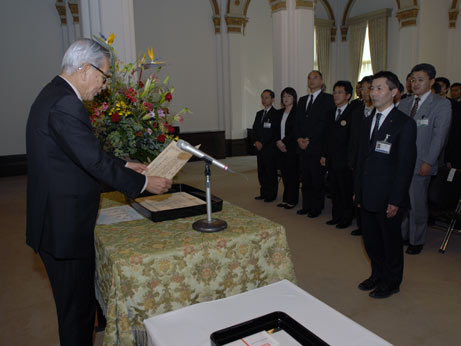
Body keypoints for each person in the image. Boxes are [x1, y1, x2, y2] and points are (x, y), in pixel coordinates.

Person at [26, 39, 172, 346]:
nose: (104, 86)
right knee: (77, 314)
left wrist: (125, 163)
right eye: (104, 76)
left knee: (76, 309)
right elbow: (92, 160)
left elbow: (80, 153)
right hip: (63, 227)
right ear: (84, 69)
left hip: (55, 221)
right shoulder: (66, 102)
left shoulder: (54, 94)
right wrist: (144, 185)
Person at [354, 71, 417, 299]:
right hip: (367, 193)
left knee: (390, 243)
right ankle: (377, 274)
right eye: (372, 88)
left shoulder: (404, 124)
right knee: (370, 240)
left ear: (394, 92)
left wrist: (396, 200)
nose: (373, 92)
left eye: (379, 88)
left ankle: (392, 281)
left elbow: (405, 166)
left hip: (388, 196)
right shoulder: (368, 120)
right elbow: (362, 158)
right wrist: (358, 191)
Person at [398, 63, 451, 254]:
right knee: (401, 201)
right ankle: (403, 234)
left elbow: (439, 137)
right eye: (413, 80)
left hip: (422, 162)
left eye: (420, 80)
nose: (415, 83)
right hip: (401, 162)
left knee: (417, 203)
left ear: (432, 81)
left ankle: (416, 239)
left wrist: (429, 161)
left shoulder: (441, 104)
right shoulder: (404, 103)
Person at [295, 70, 335, 218]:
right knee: (305, 178)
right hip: (302, 147)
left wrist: (309, 139)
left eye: (315, 78)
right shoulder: (302, 100)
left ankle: (316, 207)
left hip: (317, 146)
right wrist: (299, 139)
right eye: (309, 78)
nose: (311, 81)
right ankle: (306, 205)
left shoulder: (328, 99)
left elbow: (324, 124)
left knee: (316, 178)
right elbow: (297, 122)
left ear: (322, 80)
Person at [321, 81, 354, 229]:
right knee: (333, 189)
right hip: (332, 159)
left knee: (345, 190)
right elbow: (326, 137)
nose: (336, 95)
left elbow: (353, 140)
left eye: (340, 92)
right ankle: (336, 215)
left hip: (345, 160)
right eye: (334, 92)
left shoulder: (353, 114)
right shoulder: (329, 112)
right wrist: (324, 155)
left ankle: (346, 218)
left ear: (348, 95)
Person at [349, 75, 375, 236]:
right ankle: (361, 225)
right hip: (358, 158)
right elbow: (352, 137)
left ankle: (371, 226)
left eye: (367, 88)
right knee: (358, 192)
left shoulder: (378, 112)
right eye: (363, 88)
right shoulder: (357, 110)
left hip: (372, 160)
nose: (364, 91)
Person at [273, 87, 299, 209]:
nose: (286, 99)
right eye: (284, 96)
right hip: (280, 147)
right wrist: (278, 141)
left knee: (292, 175)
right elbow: (275, 130)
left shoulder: (297, 112)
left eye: (289, 96)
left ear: (294, 98)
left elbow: (295, 131)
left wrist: (284, 142)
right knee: (284, 174)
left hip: (292, 147)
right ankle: (285, 198)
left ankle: (292, 200)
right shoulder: (279, 113)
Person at [253, 89, 278, 202]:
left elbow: (274, 133)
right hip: (259, 148)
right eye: (262, 97)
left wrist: (263, 143)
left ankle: (271, 194)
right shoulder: (259, 114)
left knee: (270, 172)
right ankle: (264, 192)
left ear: (272, 99)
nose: (264, 100)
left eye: (267, 97)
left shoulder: (276, 114)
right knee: (261, 172)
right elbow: (254, 130)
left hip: (270, 148)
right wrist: (256, 142)